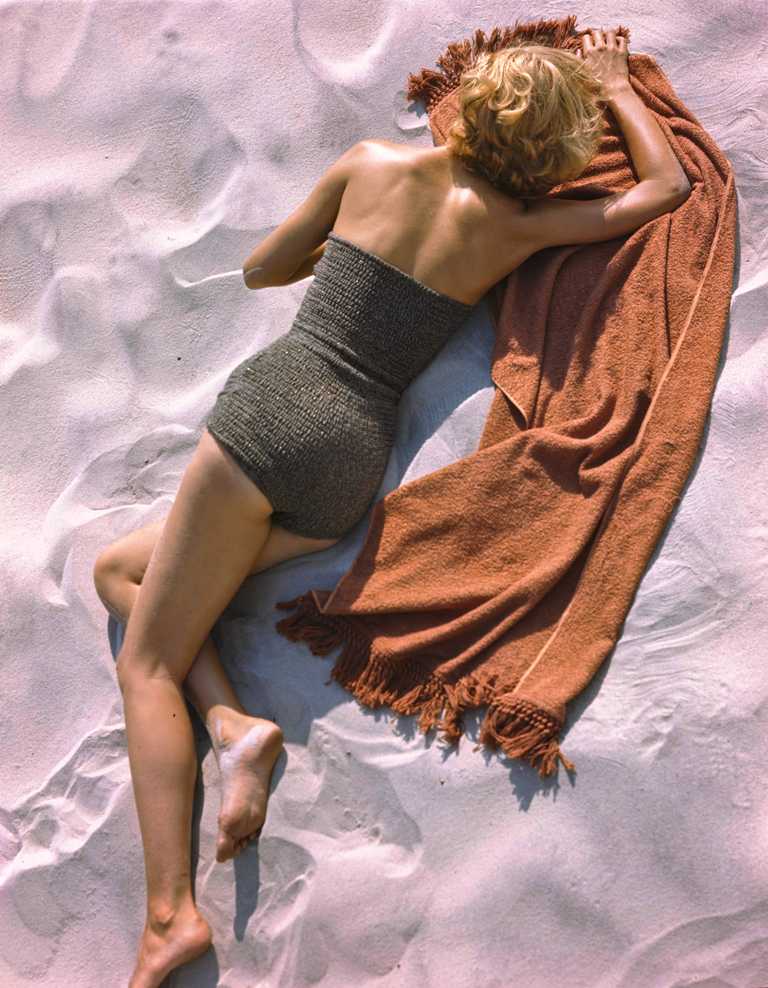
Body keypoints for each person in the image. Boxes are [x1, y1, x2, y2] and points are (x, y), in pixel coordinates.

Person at [92, 27, 690, 988]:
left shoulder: (371, 164)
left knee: (146, 658)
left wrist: (335, 239)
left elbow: (261, 270)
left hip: (276, 410)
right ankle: (234, 728)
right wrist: (623, 94)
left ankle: (170, 918)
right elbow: (662, 192)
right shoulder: (519, 226)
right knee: (118, 571)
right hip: (350, 465)